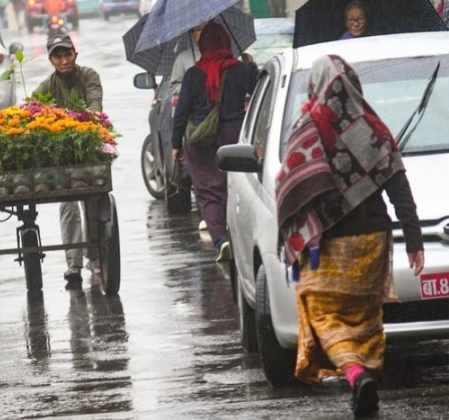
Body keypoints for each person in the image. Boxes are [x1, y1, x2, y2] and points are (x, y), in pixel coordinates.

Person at [276, 54, 425, 417]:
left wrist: (294, 239)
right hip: (374, 239)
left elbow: (290, 185)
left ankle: (356, 375)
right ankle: (366, 376)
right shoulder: (372, 127)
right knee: (367, 317)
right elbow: (399, 187)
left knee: (325, 316)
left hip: (328, 245)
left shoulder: (307, 127)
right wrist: (414, 240)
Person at [171, 22, 257, 261]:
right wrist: (251, 67)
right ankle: (237, 235)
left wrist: (175, 144)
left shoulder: (192, 74)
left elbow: (182, 112)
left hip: (200, 140)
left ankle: (221, 240)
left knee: (208, 193)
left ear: (203, 44)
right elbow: (257, 91)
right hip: (235, 137)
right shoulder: (239, 69)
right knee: (235, 187)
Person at [31, 34, 103, 288]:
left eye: (67, 54)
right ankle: (73, 263)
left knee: (93, 202)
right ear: (51, 60)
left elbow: (95, 106)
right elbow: (30, 111)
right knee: (69, 205)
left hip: (88, 148)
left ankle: (95, 257)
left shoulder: (89, 76)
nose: (64, 60)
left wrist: (86, 120)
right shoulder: (46, 87)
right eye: (58, 56)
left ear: (75, 54)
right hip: (61, 156)